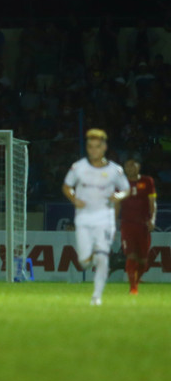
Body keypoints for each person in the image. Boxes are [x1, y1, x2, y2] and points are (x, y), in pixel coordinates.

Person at [61, 129, 129, 305]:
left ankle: (96, 296)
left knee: (102, 257)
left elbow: (126, 189)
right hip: (84, 218)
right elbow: (66, 186)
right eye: (90, 147)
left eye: (97, 147)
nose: (93, 151)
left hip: (104, 218)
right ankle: (89, 256)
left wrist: (119, 197)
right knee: (84, 262)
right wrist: (74, 198)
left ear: (104, 147)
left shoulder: (115, 170)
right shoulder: (79, 167)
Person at [117, 156, 156, 294]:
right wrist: (114, 220)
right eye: (127, 166)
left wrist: (152, 219)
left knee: (143, 260)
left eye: (133, 165)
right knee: (131, 256)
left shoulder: (147, 181)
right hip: (127, 225)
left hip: (143, 225)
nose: (130, 168)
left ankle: (136, 282)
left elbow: (152, 203)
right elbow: (117, 203)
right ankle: (133, 287)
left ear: (138, 166)